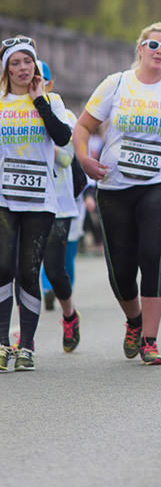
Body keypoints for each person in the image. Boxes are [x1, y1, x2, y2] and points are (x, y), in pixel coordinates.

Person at [74, 22, 161, 366]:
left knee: (153, 255)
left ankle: (150, 339)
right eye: (154, 45)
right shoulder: (116, 84)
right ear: (140, 48)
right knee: (120, 270)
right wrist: (84, 160)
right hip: (115, 185)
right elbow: (83, 126)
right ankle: (134, 320)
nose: (160, 52)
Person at [0, 36, 74, 372]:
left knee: (29, 272)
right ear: (5, 68)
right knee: (3, 268)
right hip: (3, 198)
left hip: (40, 201)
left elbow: (62, 139)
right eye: (14, 63)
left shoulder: (52, 101)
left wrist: (39, 101)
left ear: (35, 66)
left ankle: (26, 346)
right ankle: (2, 343)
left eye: (26, 62)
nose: (21, 69)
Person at [36, 61, 87, 352]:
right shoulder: (9, 111)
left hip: (58, 203)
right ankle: (21, 337)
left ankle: (69, 315)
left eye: (40, 79)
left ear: (50, 85)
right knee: (20, 270)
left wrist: (41, 148)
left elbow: (67, 158)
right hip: (22, 200)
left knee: (55, 271)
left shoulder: (62, 112)